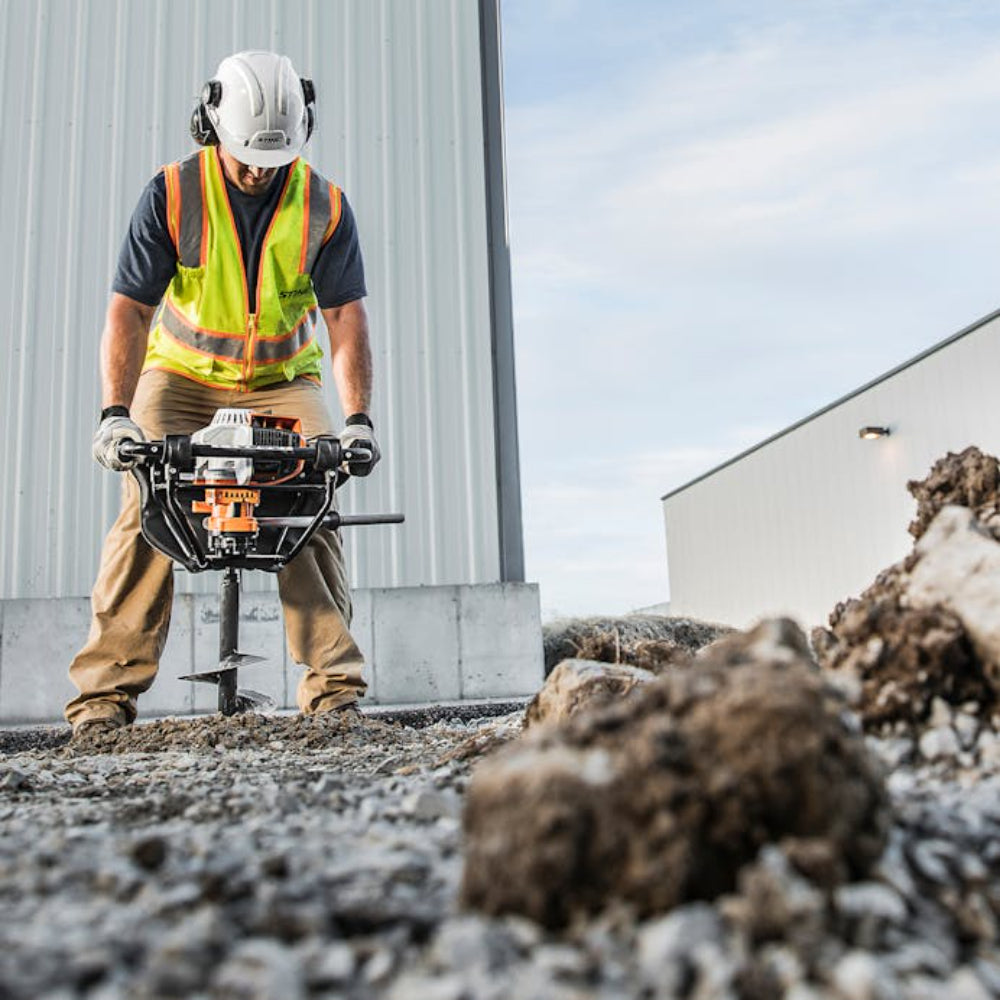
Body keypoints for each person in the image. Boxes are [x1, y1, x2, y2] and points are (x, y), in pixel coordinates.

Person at [66, 50, 379, 736]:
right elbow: (130, 311)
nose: (258, 170)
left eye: (272, 158)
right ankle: (102, 701)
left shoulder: (324, 207)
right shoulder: (173, 193)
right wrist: (116, 416)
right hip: (180, 377)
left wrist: (357, 421)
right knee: (148, 497)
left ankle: (334, 692)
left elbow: (344, 320)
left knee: (312, 495)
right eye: (246, 156)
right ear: (209, 126)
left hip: (281, 379)